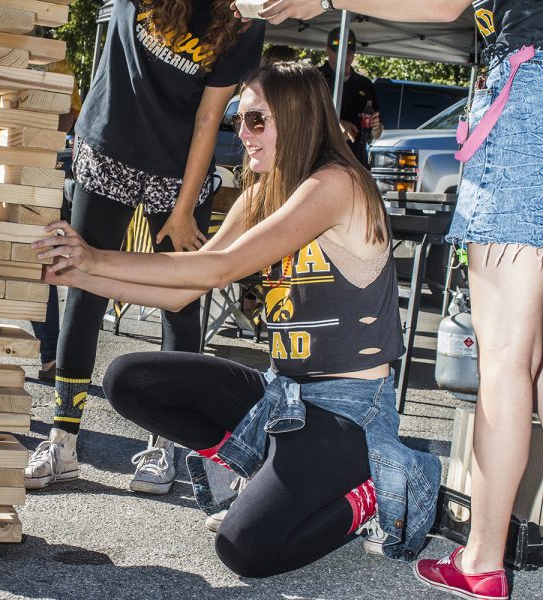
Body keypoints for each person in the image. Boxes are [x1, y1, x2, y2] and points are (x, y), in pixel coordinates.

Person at [33, 61, 441, 579]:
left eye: (256, 121)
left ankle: (377, 492)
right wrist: (79, 276)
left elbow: (218, 266)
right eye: (237, 121)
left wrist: (94, 257)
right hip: (281, 396)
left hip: (349, 411)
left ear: (296, 119)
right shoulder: (259, 195)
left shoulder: (338, 185)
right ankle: (258, 465)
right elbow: (187, 291)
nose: (242, 134)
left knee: (245, 549)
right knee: (130, 380)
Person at [246, 2, 541, 599]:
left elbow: (441, 3)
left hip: (530, 98)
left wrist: (326, 0)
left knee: (508, 359)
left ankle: (482, 560)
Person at [23, 0, 265, 494]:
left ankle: (165, 445)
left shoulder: (244, 17)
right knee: (82, 286)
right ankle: (63, 438)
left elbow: (208, 117)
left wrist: (181, 209)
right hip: (106, 149)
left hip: (180, 171)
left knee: (182, 301)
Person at [319, 28, 382, 168]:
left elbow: (377, 133)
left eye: (350, 52)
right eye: (340, 52)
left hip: (356, 163)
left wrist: (376, 126)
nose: (345, 57)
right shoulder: (315, 78)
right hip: (321, 161)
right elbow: (302, 118)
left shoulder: (365, 84)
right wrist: (336, 124)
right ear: (328, 50)